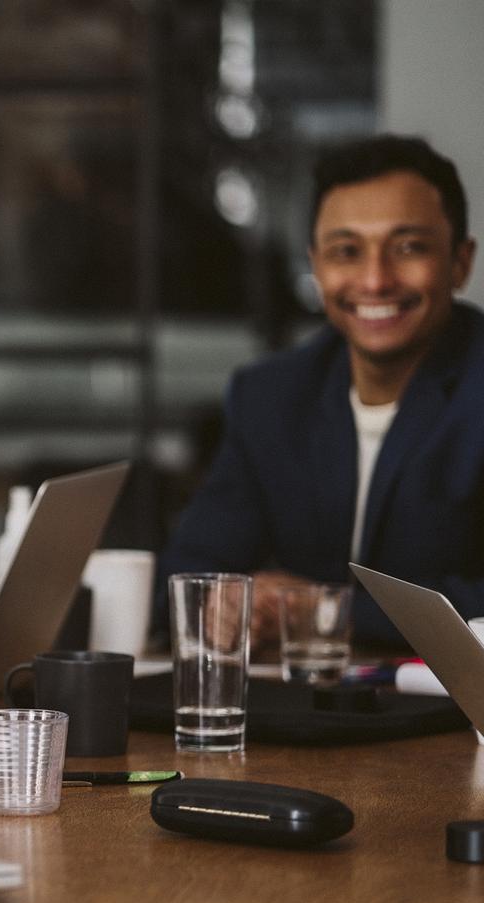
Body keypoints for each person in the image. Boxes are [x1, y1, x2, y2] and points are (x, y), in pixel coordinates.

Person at [158, 134, 484, 648]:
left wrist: (323, 614)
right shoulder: (270, 395)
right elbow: (190, 569)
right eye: (346, 251)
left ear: (460, 262)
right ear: (316, 264)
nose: (375, 280)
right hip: (302, 715)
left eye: (408, 247)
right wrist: (231, 602)